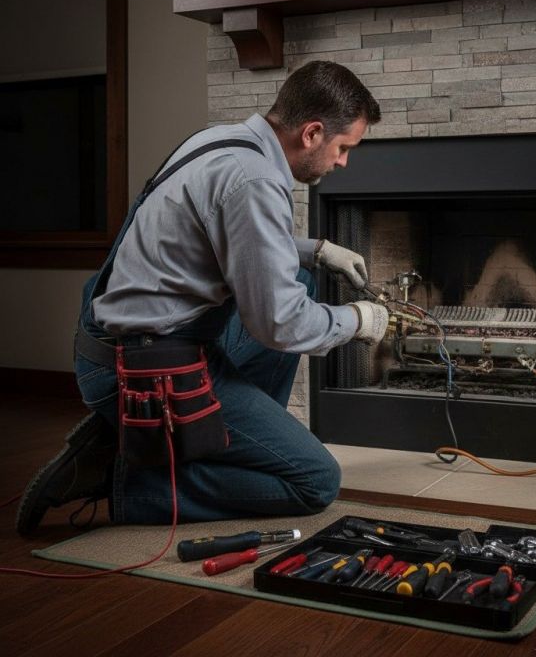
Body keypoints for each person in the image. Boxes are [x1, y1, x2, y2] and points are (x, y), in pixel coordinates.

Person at [17, 60, 389, 533]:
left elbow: (217, 234)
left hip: (136, 339)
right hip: (138, 366)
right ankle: (127, 483)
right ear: (312, 133)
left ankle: (221, 444)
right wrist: (358, 319)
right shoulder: (254, 181)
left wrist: (315, 251)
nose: (343, 162)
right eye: (343, 148)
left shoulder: (221, 141)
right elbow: (282, 325)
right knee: (315, 480)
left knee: (303, 279)